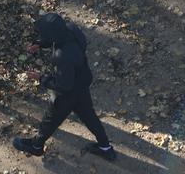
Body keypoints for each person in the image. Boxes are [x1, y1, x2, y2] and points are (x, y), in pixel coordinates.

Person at [13, 13, 117, 161]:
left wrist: (42, 78)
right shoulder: (72, 29)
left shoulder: (62, 57)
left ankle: (36, 146)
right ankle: (106, 148)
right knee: (90, 117)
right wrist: (40, 43)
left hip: (67, 93)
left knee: (50, 120)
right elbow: (59, 38)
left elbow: (63, 85)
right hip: (82, 84)